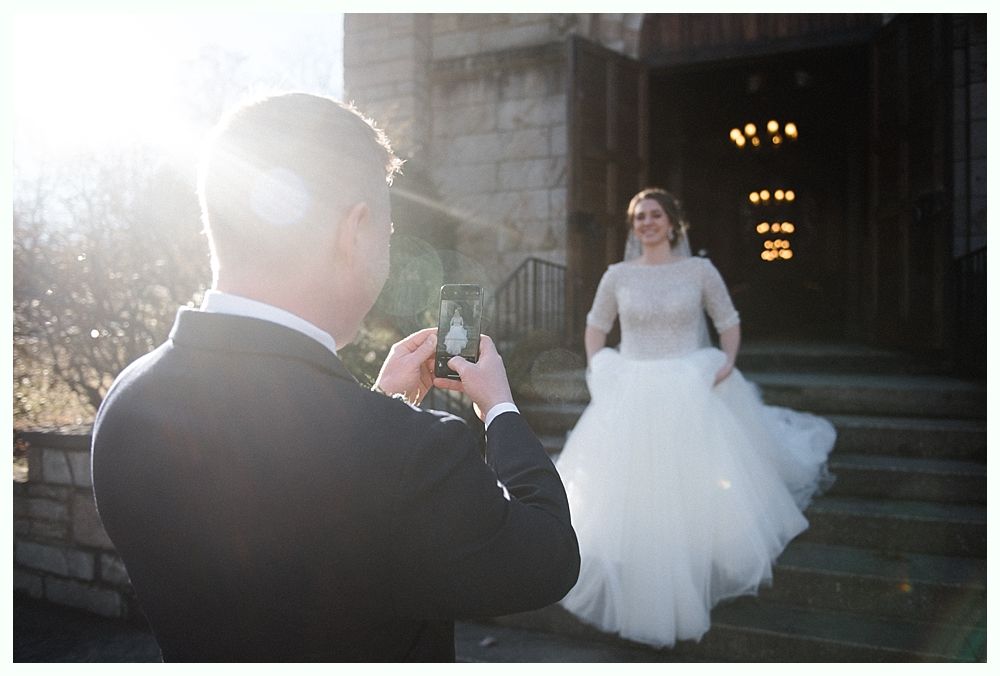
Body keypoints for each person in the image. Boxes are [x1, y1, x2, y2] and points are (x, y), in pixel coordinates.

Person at [90, 93, 579, 662]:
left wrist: (376, 403)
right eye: (389, 234)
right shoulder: (405, 451)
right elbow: (547, 557)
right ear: (356, 230)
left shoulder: (126, 402)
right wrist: (499, 408)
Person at [555, 187, 835, 649]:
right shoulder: (617, 275)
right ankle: (641, 569)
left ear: (672, 222)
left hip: (690, 379)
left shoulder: (699, 270)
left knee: (695, 484)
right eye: (639, 216)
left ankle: (695, 567)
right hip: (635, 382)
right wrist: (599, 364)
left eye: (655, 214)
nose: (646, 222)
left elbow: (727, 320)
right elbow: (595, 326)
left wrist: (726, 363)